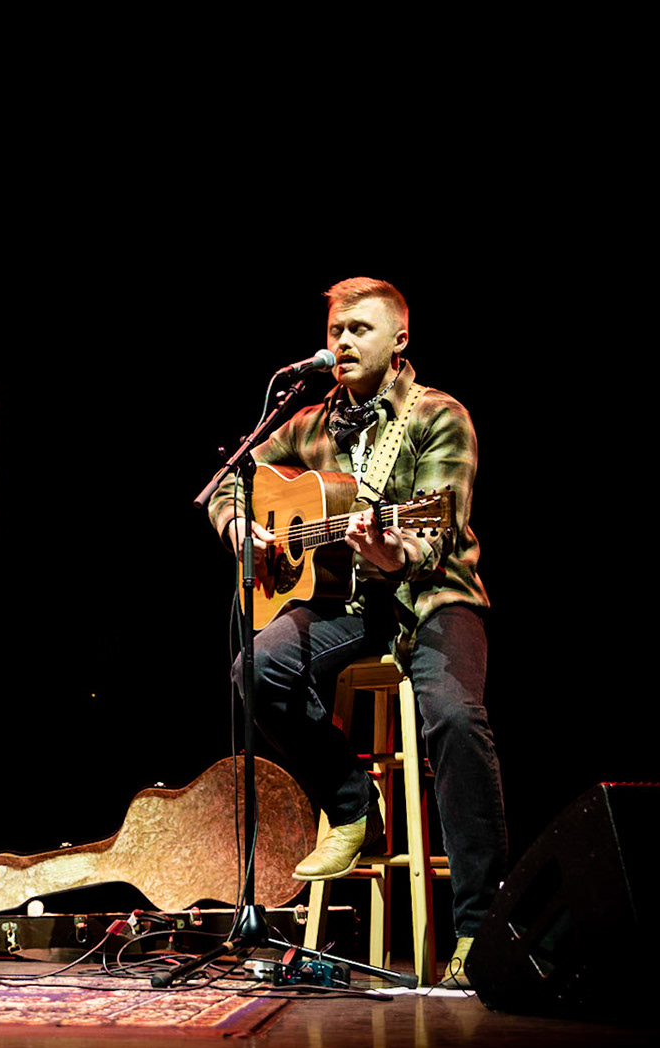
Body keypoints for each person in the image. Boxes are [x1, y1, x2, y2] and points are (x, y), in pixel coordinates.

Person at [207, 278, 503, 986]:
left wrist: (395, 549)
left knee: (455, 718)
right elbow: (228, 480)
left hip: (430, 593)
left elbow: (439, 528)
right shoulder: (306, 422)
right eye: (337, 329)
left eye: (360, 329)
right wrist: (241, 526)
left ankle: (480, 929)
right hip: (350, 602)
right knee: (257, 668)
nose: (342, 342)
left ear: (399, 339)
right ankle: (352, 807)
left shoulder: (439, 416)